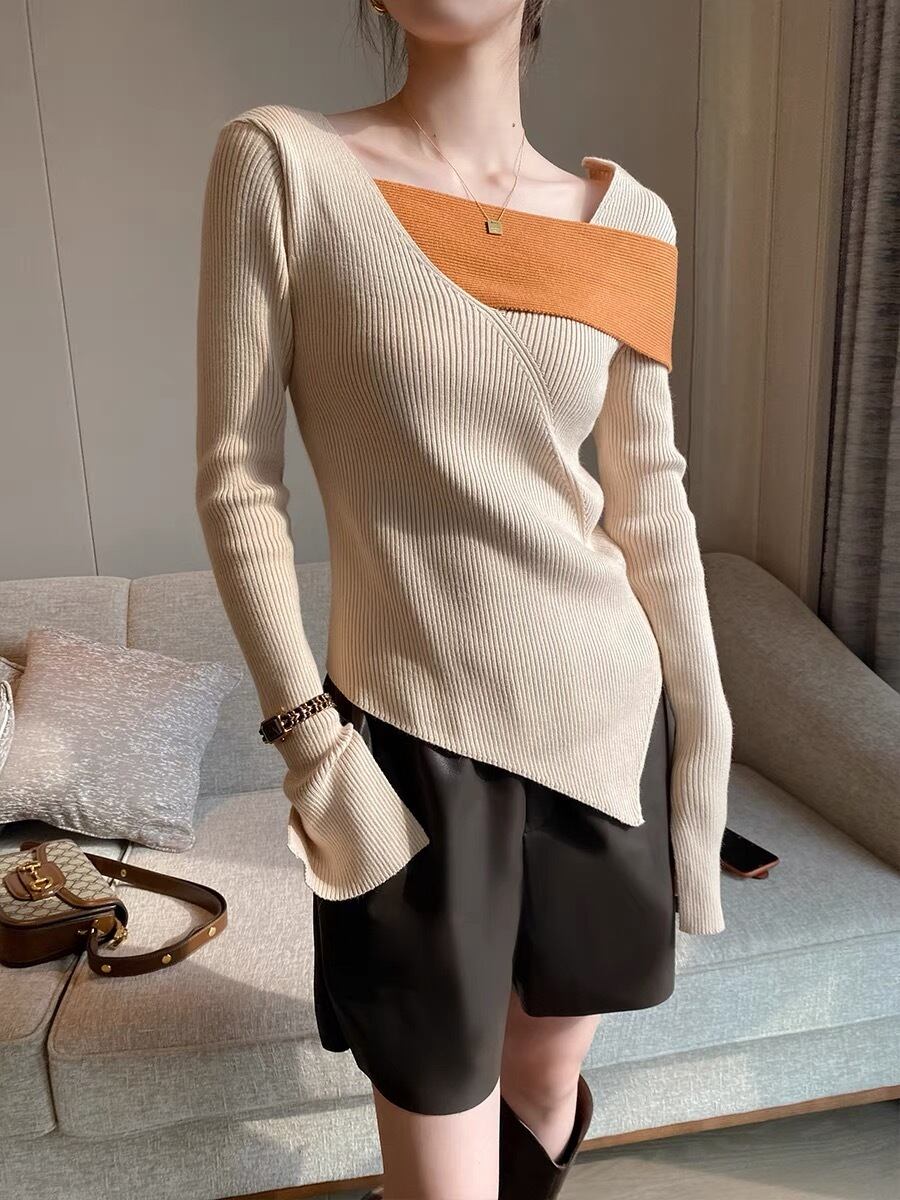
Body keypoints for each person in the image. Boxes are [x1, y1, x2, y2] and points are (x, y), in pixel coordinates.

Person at [195, 2, 734, 1197]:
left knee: (543, 1091)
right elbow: (238, 481)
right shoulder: (283, 164)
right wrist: (310, 745)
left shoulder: (632, 221)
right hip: (406, 742)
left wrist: (703, 762)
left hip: (603, 726)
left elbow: (652, 504)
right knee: (439, 1143)